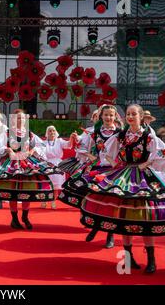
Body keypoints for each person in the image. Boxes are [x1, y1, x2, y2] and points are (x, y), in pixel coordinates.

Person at [80, 104, 165, 274]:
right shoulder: (121, 134)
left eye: (133, 114)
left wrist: (148, 163)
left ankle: (151, 259)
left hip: (143, 177)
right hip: (123, 176)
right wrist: (116, 164)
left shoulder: (148, 135)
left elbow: (163, 152)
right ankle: (129, 257)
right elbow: (106, 150)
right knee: (125, 217)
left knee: (146, 218)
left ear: (140, 117)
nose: (130, 117)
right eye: (128, 114)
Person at [0, 109, 59, 230]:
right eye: (18, 118)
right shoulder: (7, 133)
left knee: (27, 191)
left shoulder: (29, 133)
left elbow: (41, 145)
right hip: (12, 163)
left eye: (23, 118)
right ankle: (14, 219)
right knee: (13, 193)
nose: (21, 120)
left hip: (26, 163)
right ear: (13, 120)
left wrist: (32, 150)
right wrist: (8, 149)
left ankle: (25, 216)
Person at [60, 105, 122, 249]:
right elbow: (82, 147)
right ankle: (95, 227)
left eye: (111, 115)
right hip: (97, 169)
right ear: (101, 116)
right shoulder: (95, 132)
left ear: (115, 117)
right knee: (96, 198)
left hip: (113, 170)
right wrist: (91, 157)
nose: (108, 118)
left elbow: (124, 149)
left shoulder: (120, 132)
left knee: (112, 201)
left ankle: (110, 235)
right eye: (106, 115)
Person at [40, 126, 73, 209]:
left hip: (58, 164)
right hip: (47, 163)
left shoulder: (59, 141)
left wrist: (72, 138)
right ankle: (44, 200)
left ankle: (53, 201)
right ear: (47, 133)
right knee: (46, 184)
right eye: (50, 131)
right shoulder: (43, 143)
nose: (52, 132)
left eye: (53, 131)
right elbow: (40, 152)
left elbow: (68, 144)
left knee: (56, 185)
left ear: (56, 132)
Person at [58, 109, 99, 175]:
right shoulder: (89, 129)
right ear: (93, 118)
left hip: (96, 159)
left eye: (99, 116)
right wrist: (76, 137)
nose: (97, 118)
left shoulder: (105, 131)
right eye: (95, 116)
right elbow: (81, 139)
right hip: (86, 159)